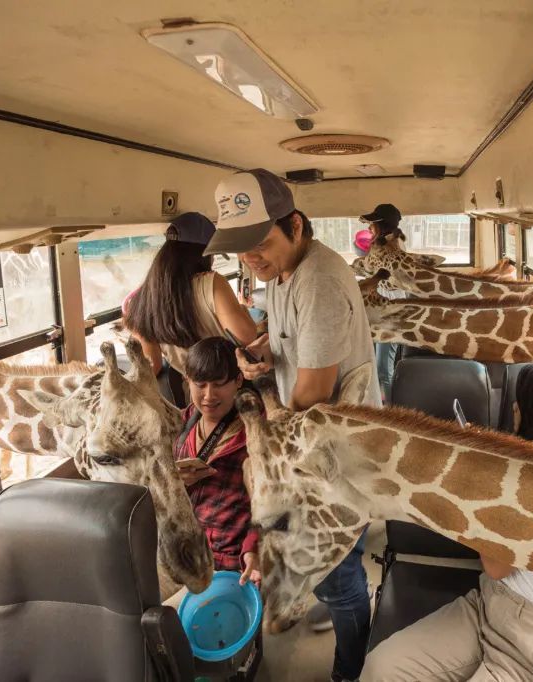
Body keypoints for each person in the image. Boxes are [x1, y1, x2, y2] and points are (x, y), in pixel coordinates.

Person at [205, 168, 380, 682]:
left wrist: (263, 406)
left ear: (296, 226)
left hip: (339, 456)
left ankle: (351, 667)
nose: (250, 258)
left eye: (259, 243)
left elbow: (311, 395)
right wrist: (261, 354)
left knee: (340, 576)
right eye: (239, 249)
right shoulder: (280, 274)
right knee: (326, 567)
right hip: (309, 446)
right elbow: (285, 340)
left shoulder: (318, 281)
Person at [361, 360, 533, 682]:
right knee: (381, 668)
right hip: (489, 605)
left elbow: (496, 564)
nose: (513, 408)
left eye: (520, 403)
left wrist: (475, 479)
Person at [123, 212, 258, 391]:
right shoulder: (212, 282)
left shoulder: (142, 300)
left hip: (195, 393)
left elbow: (152, 366)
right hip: (232, 388)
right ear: (203, 253)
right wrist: (242, 309)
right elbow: (246, 336)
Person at [173, 337, 261, 586]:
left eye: (219, 384)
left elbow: (273, 498)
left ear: (238, 381)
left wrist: (253, 549)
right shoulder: (181, 422)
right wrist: (177, 480)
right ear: (187, 380)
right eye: (200, 384)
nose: (209, 395)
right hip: (188, 553)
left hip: (235, 562)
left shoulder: (257, 431)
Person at [359, 203, 407, 403]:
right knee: (374, 366)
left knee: (382, 369)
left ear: (382, 226)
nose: (369, 228)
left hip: (391, 311)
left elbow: (380, 275)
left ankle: (390, 410)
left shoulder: (393, 247)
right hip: (380, 309)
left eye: (372, 224)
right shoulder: (386, 244)